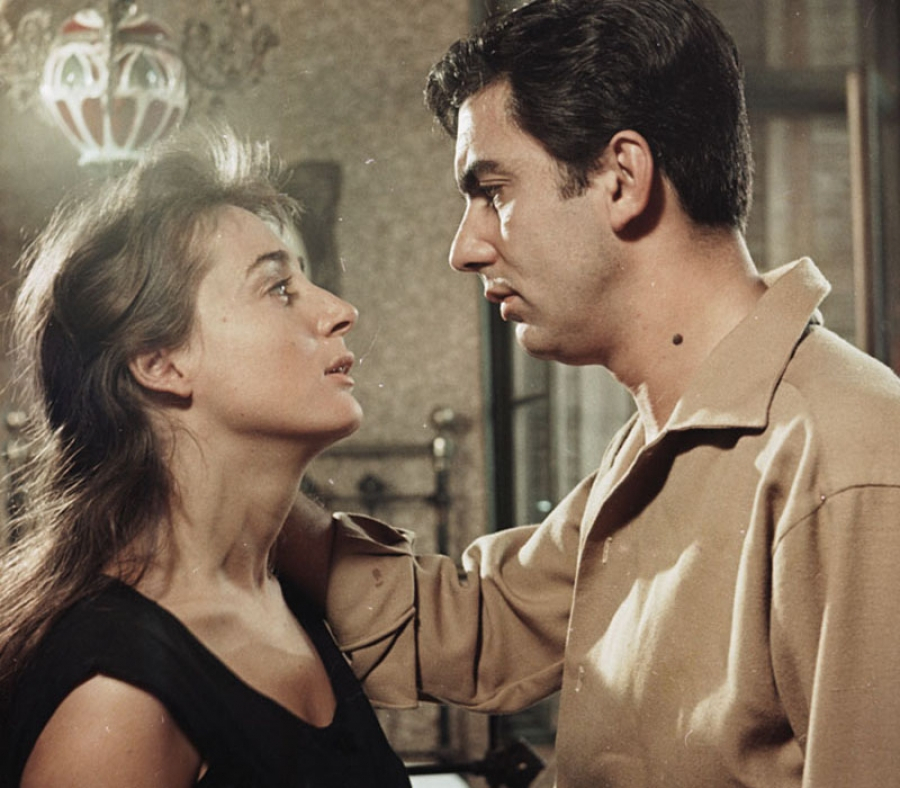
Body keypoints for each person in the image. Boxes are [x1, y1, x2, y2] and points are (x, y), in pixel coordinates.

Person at [284, 0, 900, 786]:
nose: (464, 248)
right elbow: (480, 627)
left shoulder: (850, 459)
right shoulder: (664, 435)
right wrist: (224, 483)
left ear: (621, 179)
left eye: (493, 190)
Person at [0, 128, 411, 788]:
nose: (340, 311)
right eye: (279, 289)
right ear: (160, 362)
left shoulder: (289, 598)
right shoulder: (118, 698)